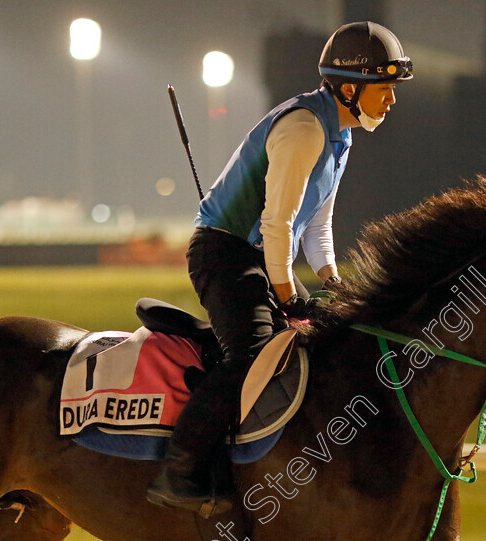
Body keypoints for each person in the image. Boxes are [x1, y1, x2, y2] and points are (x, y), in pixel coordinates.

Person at [147, 21, 413, 513]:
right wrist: (288, 293)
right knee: (251, 356)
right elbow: (277, 224)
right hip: (225, 254)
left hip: (258, 255)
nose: (392, 100)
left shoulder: (342, 136)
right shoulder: (306, 129)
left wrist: (336, 285)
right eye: (386, 87)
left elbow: (317, 225)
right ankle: (180, 469)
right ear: (349, 88)